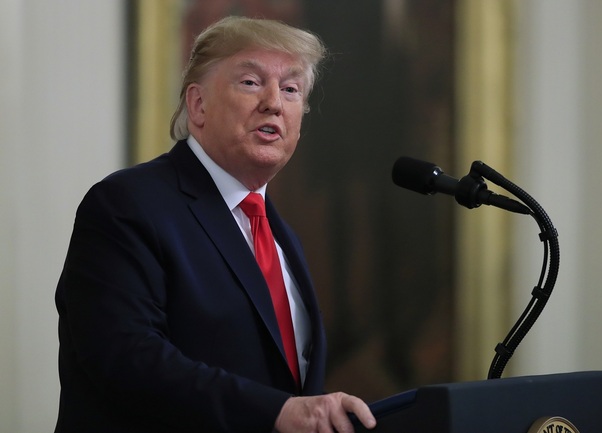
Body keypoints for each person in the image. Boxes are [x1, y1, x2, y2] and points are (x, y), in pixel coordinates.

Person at [54, 16, 376, 433]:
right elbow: (125, 357)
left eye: (291, 89)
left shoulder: (283, 237)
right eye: (250, 82)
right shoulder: (127, 205)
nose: (274, 103)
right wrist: (276, 414)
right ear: (198, 104)